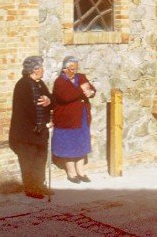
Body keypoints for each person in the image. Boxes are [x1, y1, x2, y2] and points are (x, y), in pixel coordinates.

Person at [8, 55, 53, 199]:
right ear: (34, 70)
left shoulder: (40, 84)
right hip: (27, 133)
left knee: (40, 160)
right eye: (41, 67)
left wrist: (48, 101)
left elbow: (52, 101)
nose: (43, 70)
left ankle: (40, 185)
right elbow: (26, 110)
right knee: (29, 162)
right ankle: (31, 189)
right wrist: (41, 123)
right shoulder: (23, 85)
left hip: (40, 131)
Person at [52, 55, 96, 183]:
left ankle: (81, 172)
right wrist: (82, 90)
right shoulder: (59, 82)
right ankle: (71, 174)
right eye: (71, 68)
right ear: (64, 69)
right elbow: (66, 97)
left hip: (81, 117)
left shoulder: (80, 77)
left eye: (75, 68)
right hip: (66, 120)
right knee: (69, 146)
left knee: (81, 144)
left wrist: (91, 92)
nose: (74, 71)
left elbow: (91, 88)